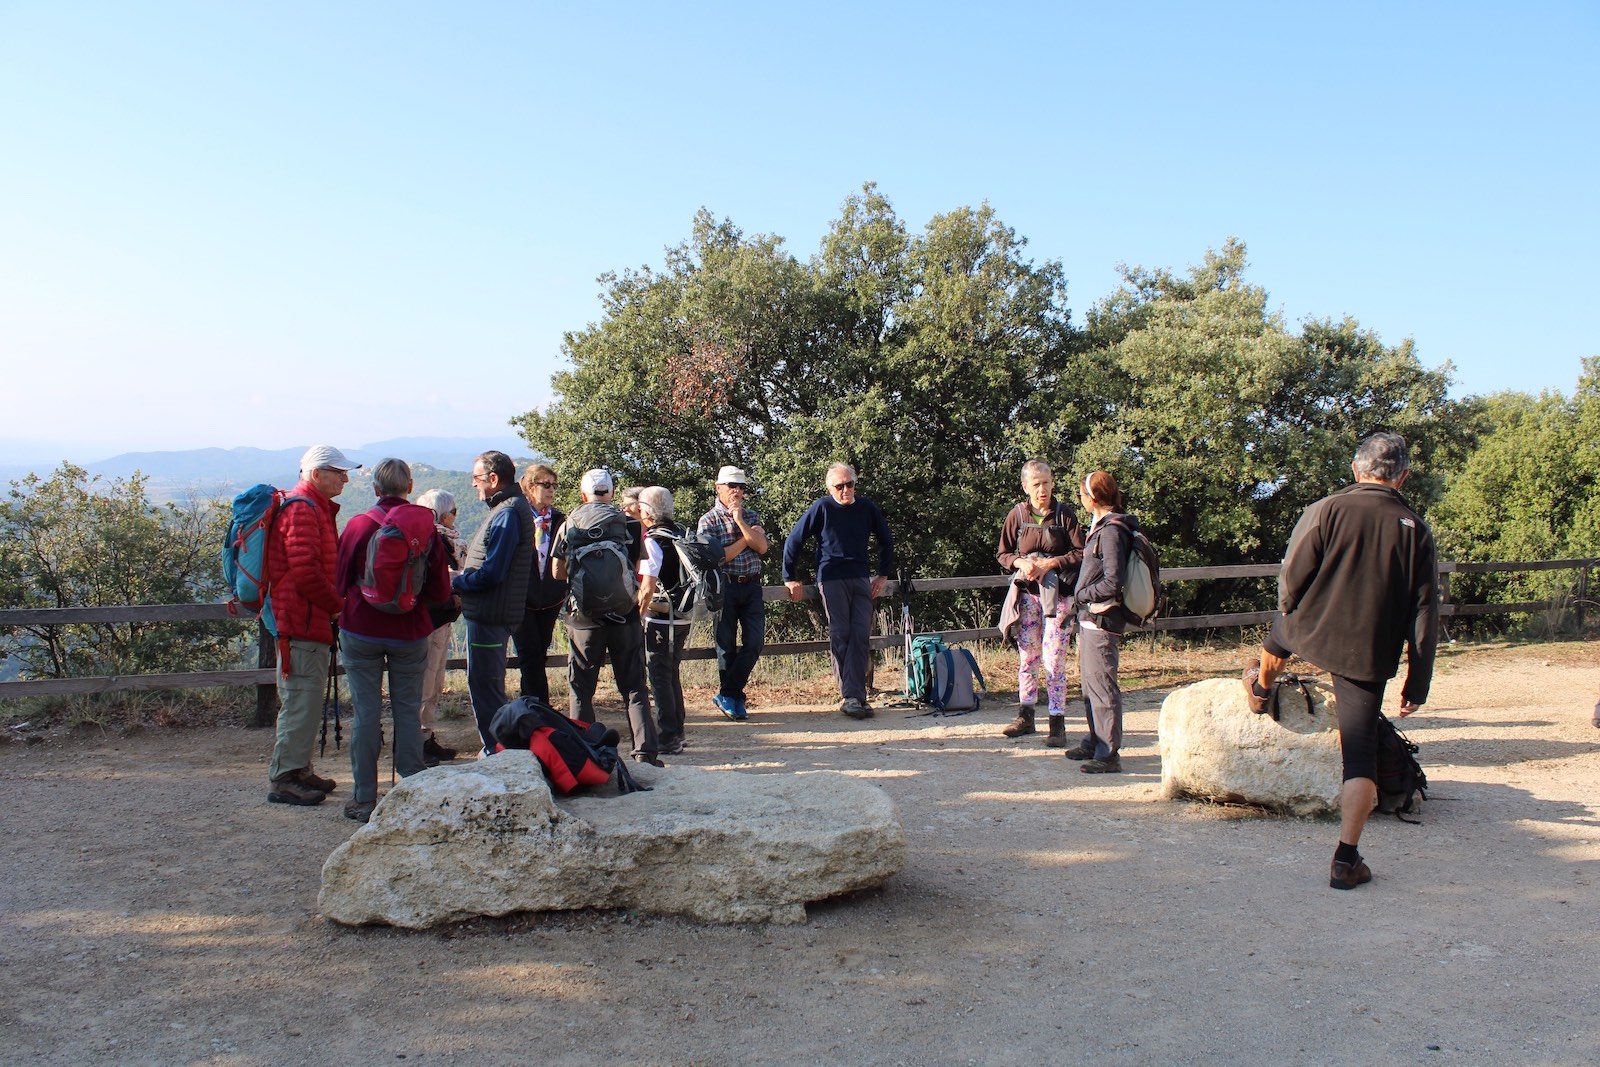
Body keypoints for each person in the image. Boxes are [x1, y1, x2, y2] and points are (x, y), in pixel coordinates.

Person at [1243, 431, 1439, 890]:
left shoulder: (1327, 509)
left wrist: (1289, 609)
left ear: (1357, 469)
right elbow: (1425, 611)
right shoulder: (1416, 529)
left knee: (1279, 633)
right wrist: (1417, 682)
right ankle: (1345, 860)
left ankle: (1260, 689)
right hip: (1366, 652)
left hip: (1309, 626)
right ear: (1403, 477)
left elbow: (1293, 575)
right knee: (1360, 760)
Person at [333, 459, 453, 822]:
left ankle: (363, 797)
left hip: (360, 629)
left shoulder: (357, 525)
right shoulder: (425, 529)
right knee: (406, 708)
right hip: (409, 631)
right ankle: (412, 789)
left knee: (367, 713)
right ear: (410, 486)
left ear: (374, 489)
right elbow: (440, 590)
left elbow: (338, 583)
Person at [264, 444, 360, 807]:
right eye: (339, 472)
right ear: (316, 474)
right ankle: (285, 778)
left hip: (302, 619)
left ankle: (298, 769)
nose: (346, 478)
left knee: (304, 698)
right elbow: (305, 572)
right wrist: (337, 606)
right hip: (301, 621)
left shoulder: (308, 507)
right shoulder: (303, 511)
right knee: (301, 700)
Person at [552, 469, 661, 765]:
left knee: (581, 687)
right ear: (611, 493)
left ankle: (584, 754)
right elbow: (634, 566)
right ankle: (645, 753)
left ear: (583, 493)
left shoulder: (569, 523)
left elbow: (557, 572)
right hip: (624, 615)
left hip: (584, 617)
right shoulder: (630, 524)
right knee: (634, 685)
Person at [782, 462, 895, 720]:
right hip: (831, 576)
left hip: (860, 577)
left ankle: (856, 695)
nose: (846, 490)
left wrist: (882, 575)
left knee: (860, 633)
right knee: (841, 632)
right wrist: (790, 577)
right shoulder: (822, 507)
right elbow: (794, 541)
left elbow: (886, 540)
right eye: (840, 486)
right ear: (830, 488)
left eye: (850, 484)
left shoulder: (866, 508)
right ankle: (851, 695)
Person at [452, 450, 535, 757]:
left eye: (476, 478)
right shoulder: (508, 508)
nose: (474, 485)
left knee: (486, 689)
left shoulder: (507, 513)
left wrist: (456, 581)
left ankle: (498, 753)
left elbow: (493, 572)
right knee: (488, 686)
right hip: (495, 611)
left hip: (490, 614)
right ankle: (500, 750)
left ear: (493, 479)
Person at [996, 459, 1085, 745]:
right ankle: (1026, 716)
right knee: (1028, 657)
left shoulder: (1064, 515)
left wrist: (1052, 563)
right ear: (1025, 487)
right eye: (1036, 484)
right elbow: (1003, 554)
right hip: (1027, 596)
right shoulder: (1016, 516)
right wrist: (1021, 562)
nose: (1042, 489)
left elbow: (1082, 552)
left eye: (1046, 482)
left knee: (1054, 659)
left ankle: (1057, 723)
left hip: (1059, 597)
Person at [1068, 470, 1138, 774]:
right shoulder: (1101, 526)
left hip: (1102, 616)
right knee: (1089, 684)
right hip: (1090, 617)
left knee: (1102, 685)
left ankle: (1108, 753)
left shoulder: (1111, 531)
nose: (1080, 499)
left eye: (1082, 493)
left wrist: (1081, 594)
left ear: (1092, 498)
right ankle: (1095, 739)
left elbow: (1113, 581)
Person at [697, 465, 769, 721]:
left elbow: (762, 548)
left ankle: (728, 693)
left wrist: (740, 521)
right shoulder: (709, 520)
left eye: (741, 487)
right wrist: (747, 538)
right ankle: (733, 700)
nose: (737, 491)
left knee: (754, 642)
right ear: (719, 488)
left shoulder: (750, 515)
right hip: (723, 585)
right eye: (731, 486)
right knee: (725, 645)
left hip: (751, 585)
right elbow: (718, 557)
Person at [637, 486, 691, 754]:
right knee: (671, 673)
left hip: (660, 618)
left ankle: (669, 736)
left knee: (659, 675)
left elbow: (647, 587)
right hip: (684, 615)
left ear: (646, 511)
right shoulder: (682, 534)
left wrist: (638, 615)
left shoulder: (653, 541)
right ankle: (677, 732)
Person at [414, 488, 463, 765]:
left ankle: (425, 737)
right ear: (445, 515)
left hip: (434, 620)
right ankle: (418, 741)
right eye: (454, 512)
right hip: (431, 621)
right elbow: (439, 583)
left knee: (433, 682)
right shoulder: (436, 542)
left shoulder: (428, 538)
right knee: (426, 682)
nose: (455, 518)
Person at [512, 463, 567, 705]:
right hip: (522, 598)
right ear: (530, 487)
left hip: (550, 598)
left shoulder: (559, 520)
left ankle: (531, 707)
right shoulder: (516, 517)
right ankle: (538, 708)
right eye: (546, 485)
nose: (551, 490)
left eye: (554, 485)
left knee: (539, 653)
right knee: (528, 655)